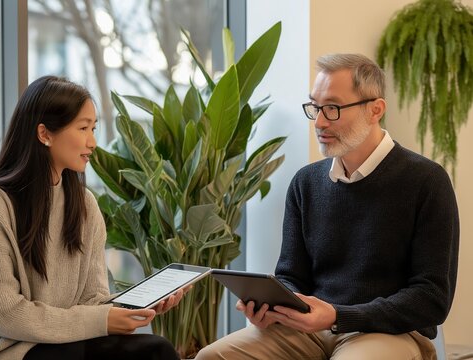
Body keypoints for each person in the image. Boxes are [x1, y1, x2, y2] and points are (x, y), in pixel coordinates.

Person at [196, 53, 459, 360]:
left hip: (389, 332)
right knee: (212, 357)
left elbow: (431, 298)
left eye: (332, 108)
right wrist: (273, 306)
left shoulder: (426, 181)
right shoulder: (306, 183)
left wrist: (338, 315)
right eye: (315, 107)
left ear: (376, 110)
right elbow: (292, 275)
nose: (319, 122)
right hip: (309, 328)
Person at [0, 75, 185, 360]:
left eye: (94, 128)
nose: (93, 142)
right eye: (83, 128)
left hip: (65, 346)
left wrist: (133, 308)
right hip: (8, 354)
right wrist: (102, 320)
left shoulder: (84, 205)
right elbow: (3, 315)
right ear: (45, 134)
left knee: (156, 350)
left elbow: (92, 300)